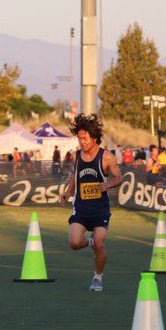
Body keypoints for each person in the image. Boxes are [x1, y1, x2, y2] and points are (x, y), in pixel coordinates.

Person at [58, 114, 121, 291]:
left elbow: (119, 178)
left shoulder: (106, 157)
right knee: (75, 243)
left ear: (94, 137)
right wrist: (68, 192)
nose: (82, 142)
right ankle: (90, 242)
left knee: (100, 243)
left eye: (85, 138)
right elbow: (75, 176)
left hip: (100, 209)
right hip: (81, 208)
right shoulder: (75, 156)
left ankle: (98, 278)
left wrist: (107, 185)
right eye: (79, 138)